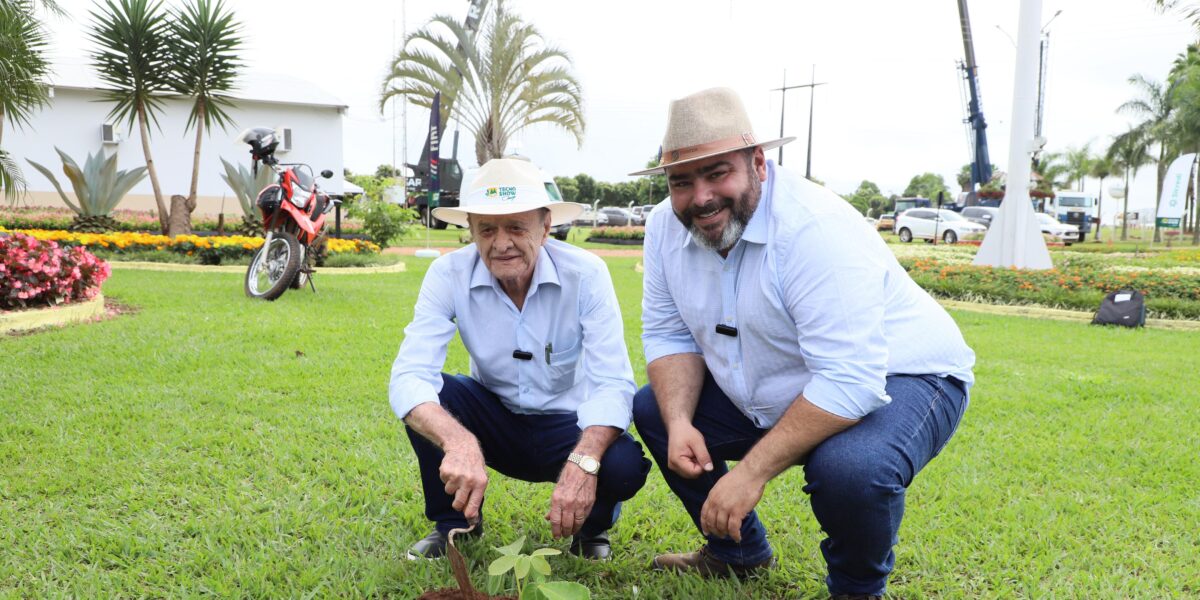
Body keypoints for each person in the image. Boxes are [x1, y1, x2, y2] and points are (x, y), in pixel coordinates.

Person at [630, 87, 976, 599]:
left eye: (717, 173)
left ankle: (856, 590)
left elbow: (851, 379)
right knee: (657, 411)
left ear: (758, 163)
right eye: (682, 181)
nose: (700, 197)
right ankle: (737, 553)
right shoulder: (664, 227)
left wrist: (750, 473)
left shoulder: (815, 228)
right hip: (799, 378)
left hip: (904, 374)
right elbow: (668, 332)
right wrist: (680, 422)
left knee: (850, 468)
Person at [391, 158, 650, 561]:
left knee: (622, 463)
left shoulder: (586, 274)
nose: (501, 243)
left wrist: (584, 459)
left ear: (545, 228)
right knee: (432, 399)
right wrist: (458, 440)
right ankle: (456, 524)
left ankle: (590, 528)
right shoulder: (448, 274)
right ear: (470, 230)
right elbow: (409, 375)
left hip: (568, 425)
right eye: (487, 229)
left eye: (516, 227)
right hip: (494, 418)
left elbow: (614, 383)